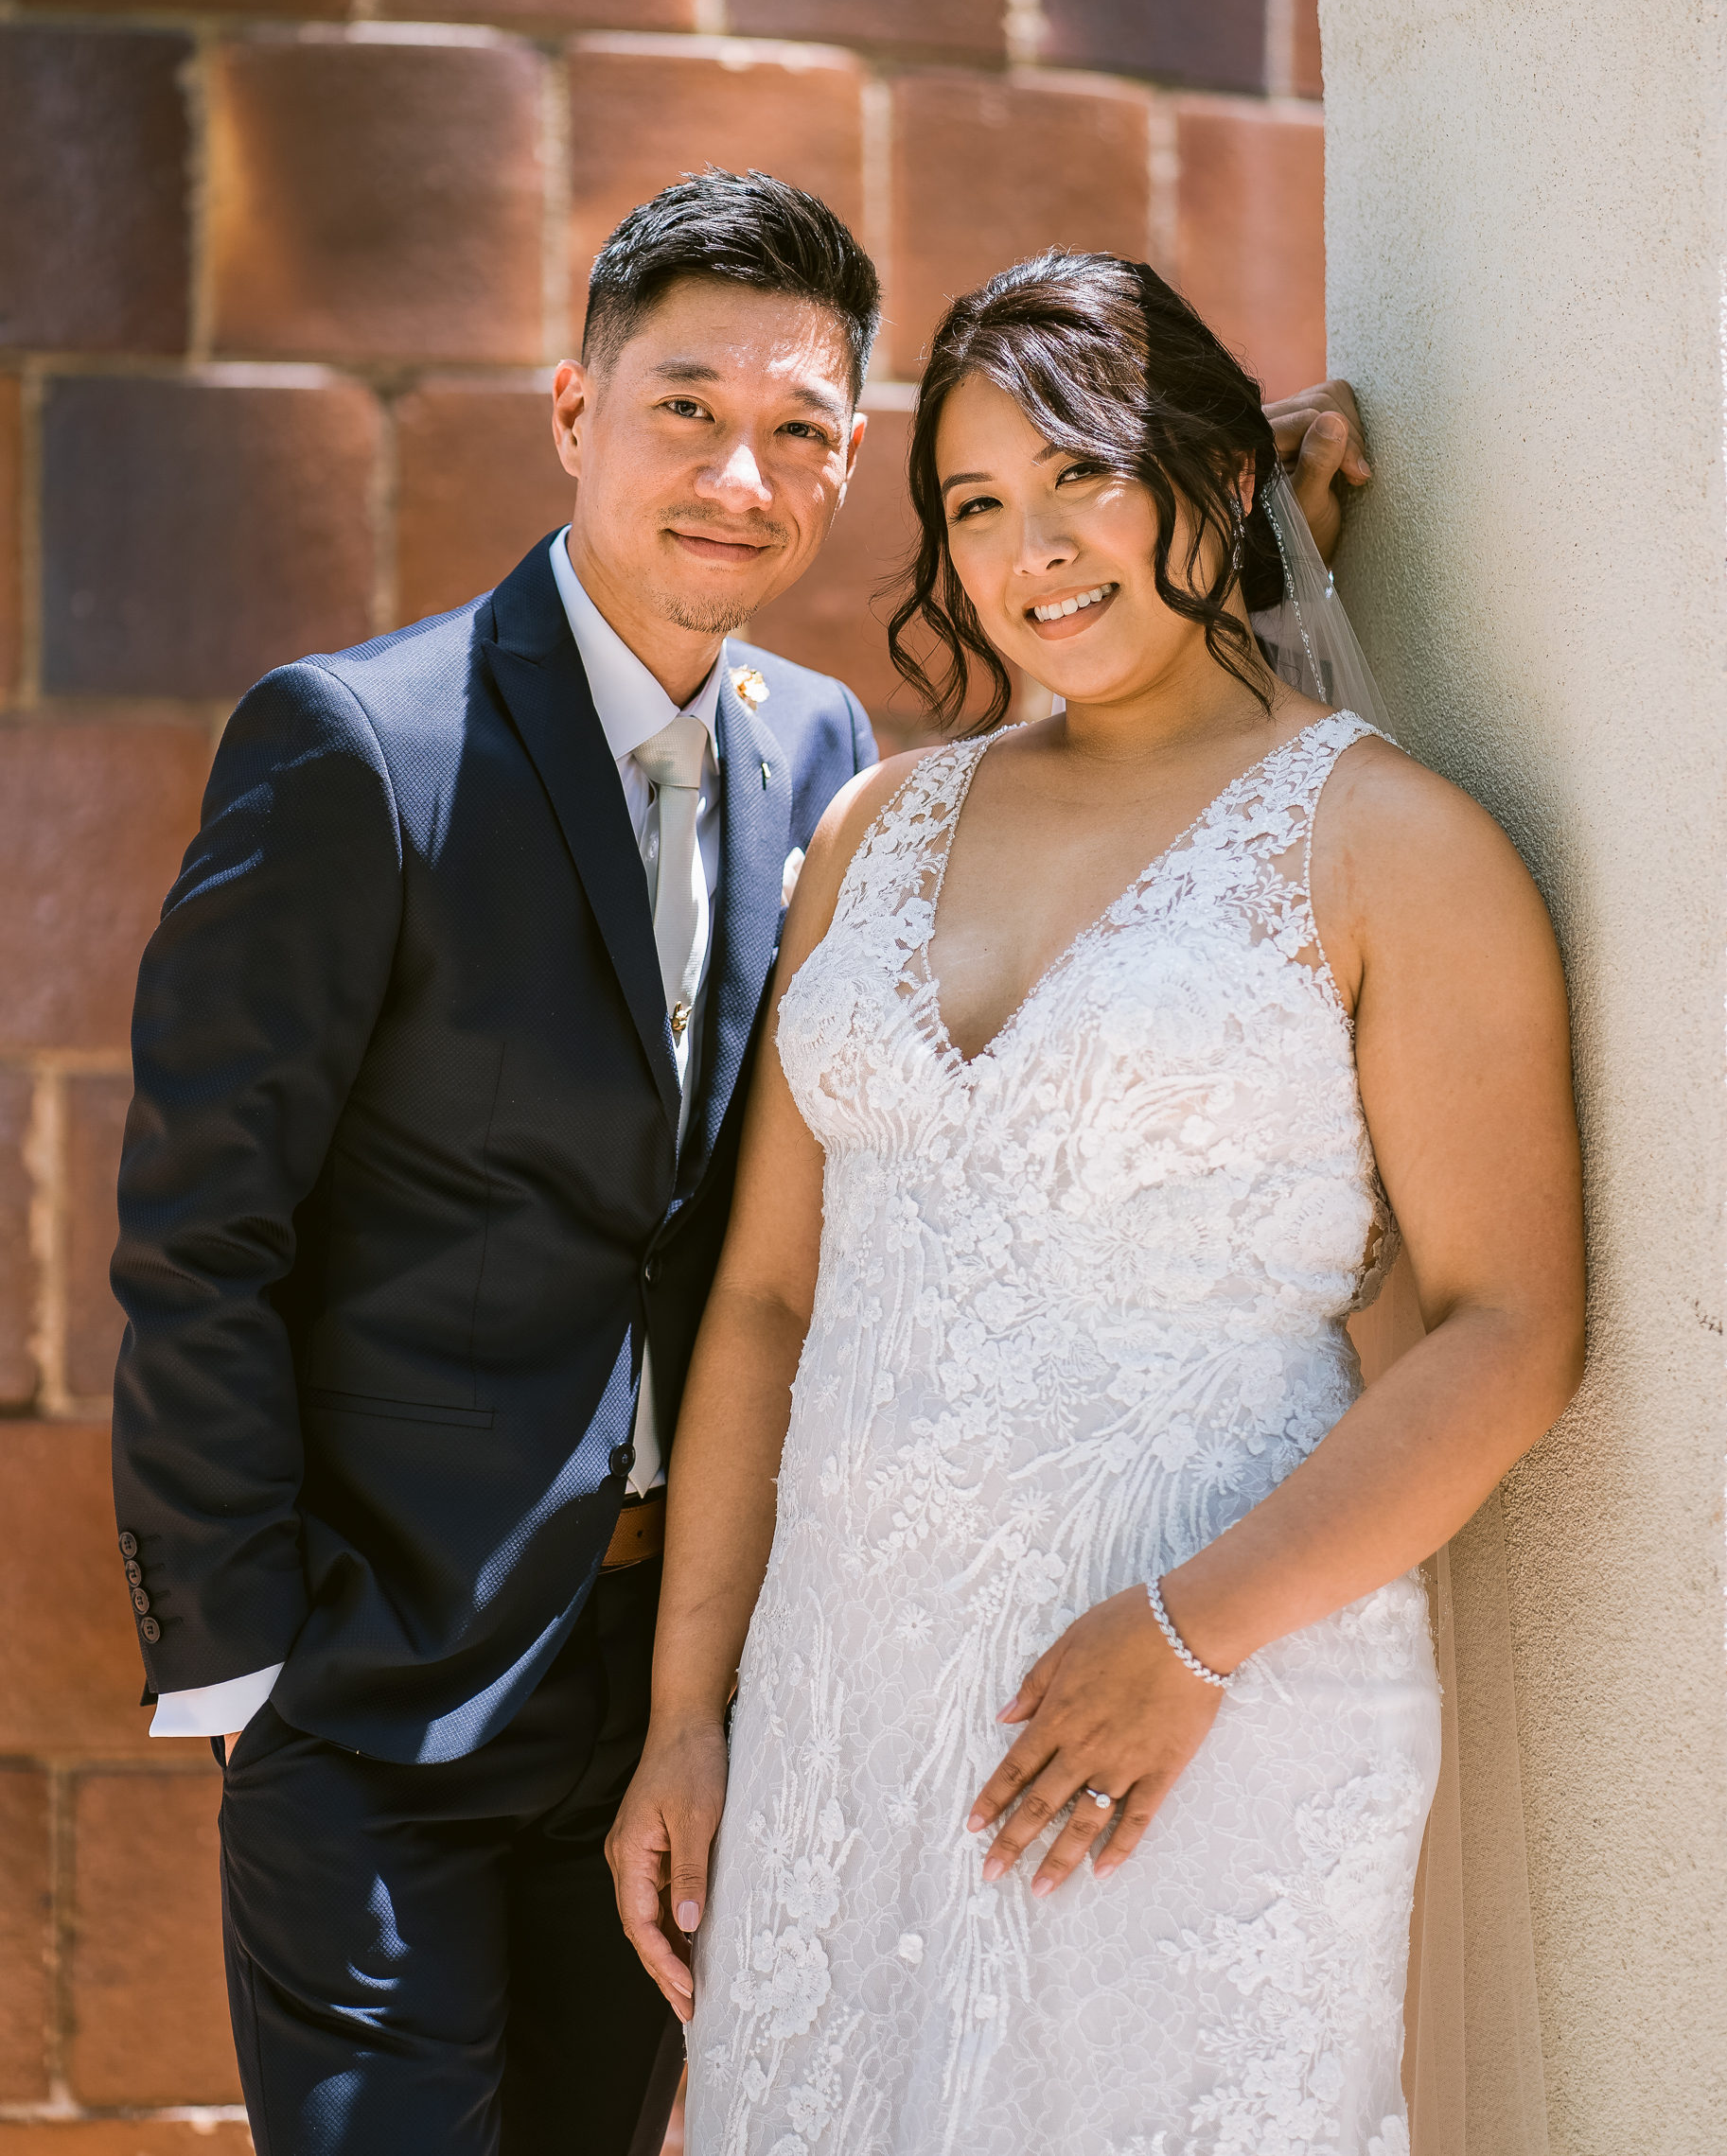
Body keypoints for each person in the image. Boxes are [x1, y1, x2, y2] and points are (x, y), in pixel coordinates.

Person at [108, 159, 1364, 2155]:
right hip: (379, 1686)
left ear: (849, 459)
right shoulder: (354, 746)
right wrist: (247, 1660)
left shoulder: (825, 757)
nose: (738, 475)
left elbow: (1111, 737)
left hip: (680, 1704)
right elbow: (199, 1228)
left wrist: (1246, 510)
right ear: (573, 410)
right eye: (685, 408)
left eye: (800, 430)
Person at [608, 253, 1585, 2156]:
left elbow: (1509, 1328)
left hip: (1206, 1705)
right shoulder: (874, 830)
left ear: (1217, 479)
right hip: (843, 1703)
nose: (1031, 550)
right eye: (975, 504)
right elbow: (770, 1301)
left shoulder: (1393, 846)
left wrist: (1195, 1631)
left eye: (1082, 475)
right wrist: (688, 1709)